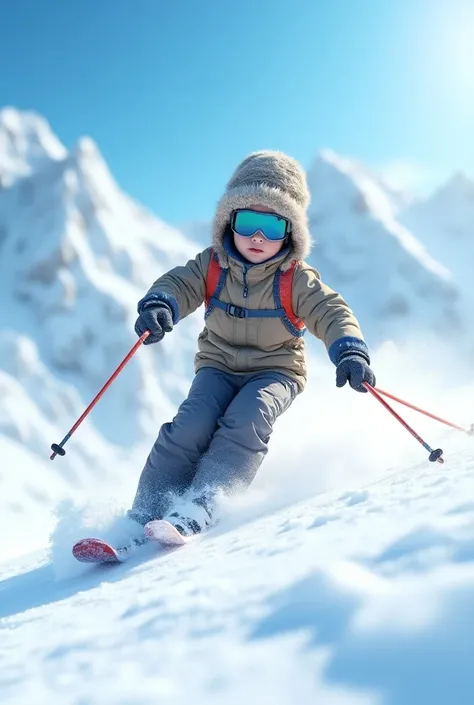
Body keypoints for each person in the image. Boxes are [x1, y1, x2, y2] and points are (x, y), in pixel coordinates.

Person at [128, 151, 376, 536]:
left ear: (290, 233)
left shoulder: (295, 279)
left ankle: (203, 503)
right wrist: (162, 303)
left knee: (247, 419)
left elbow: (330, 310)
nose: (258, 237)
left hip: (276, 371)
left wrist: (349, 347)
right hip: (218, 367)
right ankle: (147, 510)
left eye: (272, 227)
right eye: (248, 222)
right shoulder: (211, 264)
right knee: (190, 425)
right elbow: (179, 283)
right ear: (229, 222)